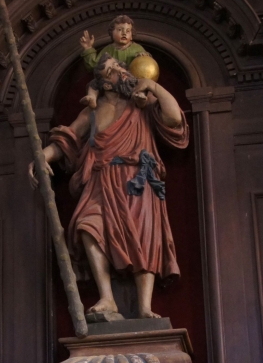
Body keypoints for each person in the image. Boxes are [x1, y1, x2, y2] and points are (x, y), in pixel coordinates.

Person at [30, 53, 188, 320]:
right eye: (114, 70)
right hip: (102, 179)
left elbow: (174, 119)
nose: (122, 71)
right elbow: (67, 138)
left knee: (143, 238)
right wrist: (40, 157)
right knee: (87, 225)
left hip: (138, 178)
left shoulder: (142, 102)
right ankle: (107, 298)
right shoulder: (92, 111)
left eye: (121, 66)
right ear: (104, 83)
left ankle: (144, 307)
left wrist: (155, 87)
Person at [79, 15, 151, 110]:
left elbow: (146, 66)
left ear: (132, 34)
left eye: (128, 31)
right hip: (111, 83)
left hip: (129, 80)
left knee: (141, 84)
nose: (124, 33)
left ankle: (140, 98)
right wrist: (88, 49)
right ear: (111, 33)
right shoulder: (108, 50)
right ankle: (92, 97)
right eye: (120, 30)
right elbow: (95, 65)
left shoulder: (137, 48)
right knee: (94, 83)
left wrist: (143, 56)